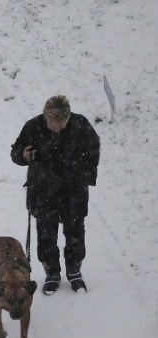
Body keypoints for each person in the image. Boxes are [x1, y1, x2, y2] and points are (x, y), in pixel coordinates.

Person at [11, 95, 100, 295]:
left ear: (68, 118)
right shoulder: (33, 127)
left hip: (73, 191)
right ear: (45, 117)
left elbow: (94, 149)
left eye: (61, 124)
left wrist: (83, 174)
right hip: (43, 190)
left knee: (75, 232)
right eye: (52, 124)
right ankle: (52, 273)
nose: (56, 128)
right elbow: (16, 152)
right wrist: (23, 156)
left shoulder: (81, 125)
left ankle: (74, 271)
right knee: (46, 235)